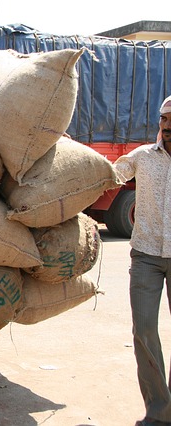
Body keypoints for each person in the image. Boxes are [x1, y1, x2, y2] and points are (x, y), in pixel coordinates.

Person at [113, 96, 171, 426]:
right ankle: (160, 412)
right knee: (145, 331)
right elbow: (111, 174)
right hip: (146, 256)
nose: (167, 127)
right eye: (164, 121)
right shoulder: (143, 157)